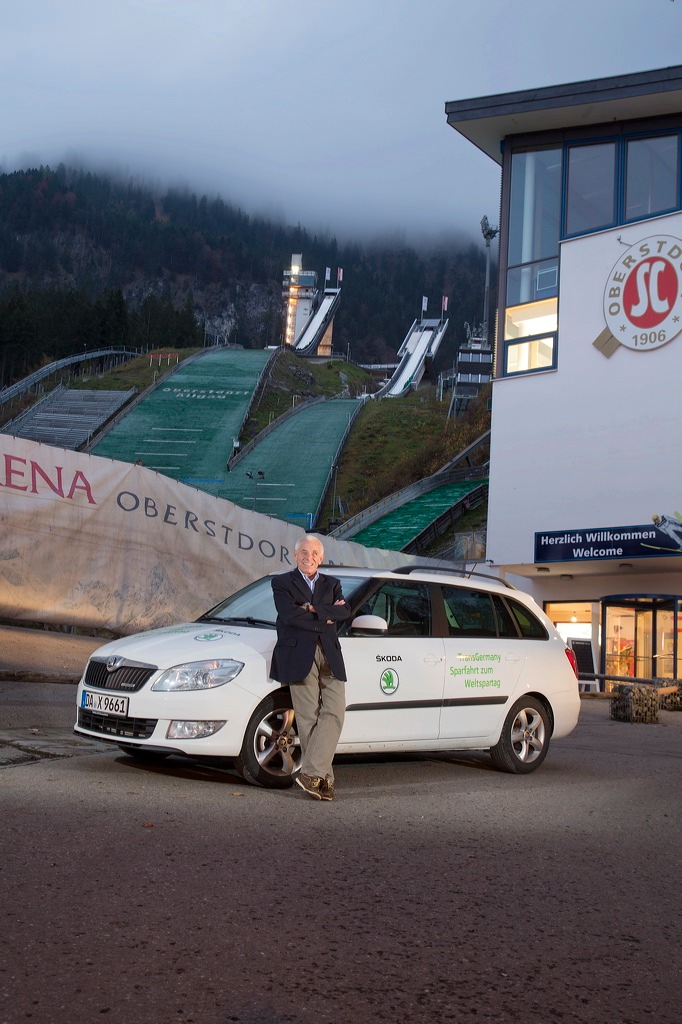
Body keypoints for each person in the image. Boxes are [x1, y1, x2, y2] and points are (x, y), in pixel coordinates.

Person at [270, 535, 350, 800]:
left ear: (321, 557)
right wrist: (324, 614)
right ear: (295, 556)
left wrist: (311, 608)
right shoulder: (281, 582)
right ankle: (323, 780)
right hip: (298, 654)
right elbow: (289, 614)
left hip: (330, 654)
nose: (309, 557)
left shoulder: (333, 583)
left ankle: (310, 774)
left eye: (314, 553)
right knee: (308, 717)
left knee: (335, 712)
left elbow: (344, 612)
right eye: (304, 552)